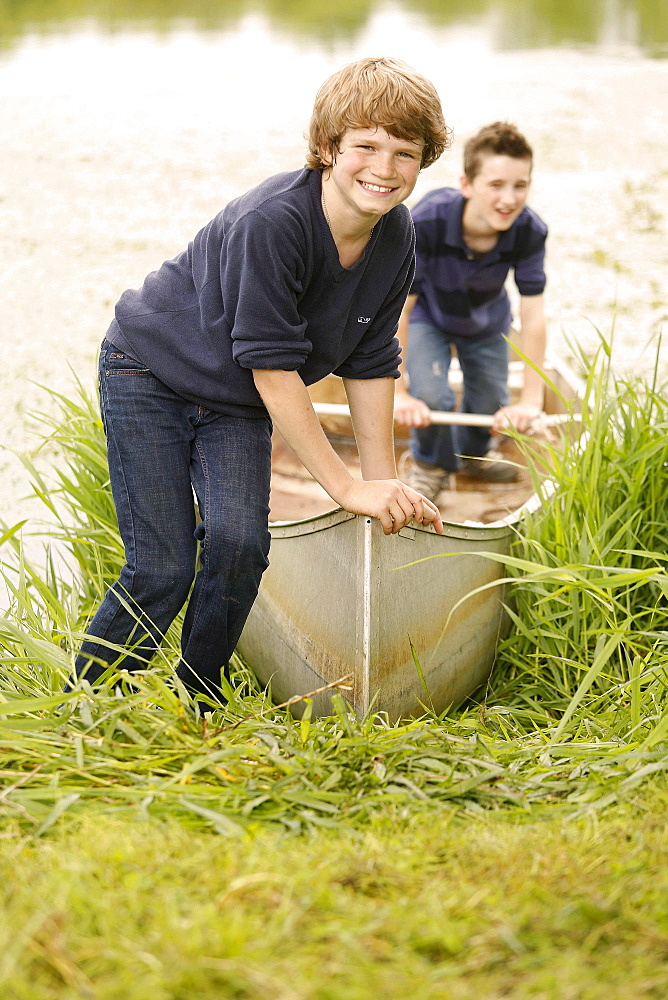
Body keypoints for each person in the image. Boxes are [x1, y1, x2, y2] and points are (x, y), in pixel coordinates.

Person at [71, 56, 450, 711]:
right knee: (162, 566)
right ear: (329, 149)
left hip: (233, 399)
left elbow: (369, 361)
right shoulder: (273, 222)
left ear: (424, 161)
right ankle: (85, 705)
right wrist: (343, 484)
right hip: (150, 373)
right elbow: (274, 370)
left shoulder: (397, 236)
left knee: (241, 546)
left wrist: (379, 484)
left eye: (404, 153)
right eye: (366, 146)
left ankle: (198, 701)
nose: (384, 169)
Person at [394, 121, 548, 501]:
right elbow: (397, 309)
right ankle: (430, 464)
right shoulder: (426, 222)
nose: (509, 199)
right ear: (467, 185)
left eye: (520, 185)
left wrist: (532, 399)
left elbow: (533, 316)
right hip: (430, 315)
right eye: (495, 185)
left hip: (486, 319)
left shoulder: (529, 231)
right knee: (430, 397)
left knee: (491, 401)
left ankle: (474, 455)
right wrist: (397, 392)